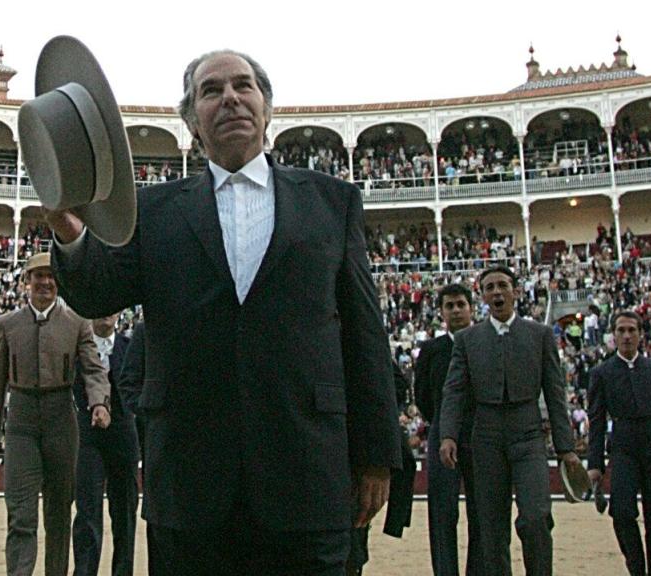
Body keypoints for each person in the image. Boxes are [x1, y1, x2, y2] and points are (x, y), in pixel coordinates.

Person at [46, 49, 402, 576]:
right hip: (190, 480)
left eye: (243, 85)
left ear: (267, 109)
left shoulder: (332, 202)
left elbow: (364, 336)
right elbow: (97, 295)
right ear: (193, 121)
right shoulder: (153, 211)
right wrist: (70, 234)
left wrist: (377, 454)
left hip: (306, 471)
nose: (230, 98)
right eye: (211, 91)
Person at [438, 265, 579, 576]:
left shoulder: (540, 335)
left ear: (516, 291)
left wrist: (566, 448)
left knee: (536, 517)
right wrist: (448, 434)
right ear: (483, 296)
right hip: (486, 437)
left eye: (502, 285)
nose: (497, 292)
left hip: (528, 434)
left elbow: (555, 394)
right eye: (489, 288)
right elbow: (455, 391)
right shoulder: (467, 339)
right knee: (491, 526)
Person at [0, 252, 112, 576]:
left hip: (60, 419)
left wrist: (99, 402)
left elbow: (93, 369)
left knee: (59, 513)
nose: (45, 282)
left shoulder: (77, 323)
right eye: (38, 276)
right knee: (20, 513)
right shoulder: (8, 325)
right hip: (21, 420)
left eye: (51, 276)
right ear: (27, 281)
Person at [587, 310, 651, 576]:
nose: (627, 336)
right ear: (613, 335)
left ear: (641, 334)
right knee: (621, 512)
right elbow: (596, 422)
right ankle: (637, 570)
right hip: (622, 448)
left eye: (632, 330)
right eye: (621, 330)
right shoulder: (602, 373)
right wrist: (595, 464)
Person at [415, 283, 482, 576]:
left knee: (481, 511)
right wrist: (442, 424)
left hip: (480, 433)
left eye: (460, 304)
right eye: (449, 306)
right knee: (442, 511)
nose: (456, 311)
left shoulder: (484, 344)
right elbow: (422, 394)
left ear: (471, 308)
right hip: (442, 432)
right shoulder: (431, 350)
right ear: (441, 312)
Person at [72, 313, 140, 576]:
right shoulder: (78, 347)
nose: (106, 315)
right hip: (88, 433)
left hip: (124, 432)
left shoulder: (129, 346)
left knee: (125, 511)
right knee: (88, 508)